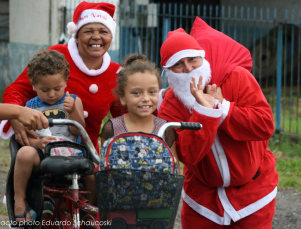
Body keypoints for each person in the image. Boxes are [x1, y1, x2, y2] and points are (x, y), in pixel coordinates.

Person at [158, 17, 278, 228]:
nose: (187, 69)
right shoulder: (170, 104)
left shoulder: (237, 77)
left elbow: (265, 125)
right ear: (168, 71)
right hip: (202, 203)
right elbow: (187, 155)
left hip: (254, 195)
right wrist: (205, 113)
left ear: (203, 58)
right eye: (178, 64)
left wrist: (223, 109)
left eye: (192, 59)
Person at [0, 1, 126, 152]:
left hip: (86, 152)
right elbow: (16, 90)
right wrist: (15, 115)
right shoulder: (56, 56)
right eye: (88, 31)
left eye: (103, 31)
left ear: (111, 36)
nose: (96, 37)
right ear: (77, 36)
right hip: (43, 146)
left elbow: (127, 116)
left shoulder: (117, 74)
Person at [12, 50, 95, 223]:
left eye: (57, 89)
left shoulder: (72, 100)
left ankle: (91, 209)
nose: (51, 94)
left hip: (71, 151)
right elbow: (30, 137)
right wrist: (39, 142)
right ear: (33, 86)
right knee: (24, 153)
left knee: (94, 171)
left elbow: (78, 131)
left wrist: (72, 110)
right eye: (44, 89)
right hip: (44, 152)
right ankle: (19, 200)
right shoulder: (31, 107)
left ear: (66, 82)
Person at [99, 53, 178, 165]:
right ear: (122, 97)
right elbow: (105, 169)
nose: (146, 98)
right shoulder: (112, 128)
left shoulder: (165, 129)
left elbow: (174, 171)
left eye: (152, 92)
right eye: (137, 93)